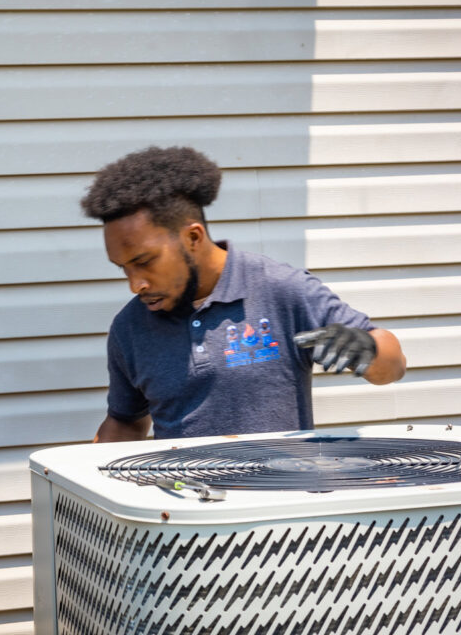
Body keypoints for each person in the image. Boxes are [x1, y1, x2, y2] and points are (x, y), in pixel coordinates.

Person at [81, 146, 406, 442]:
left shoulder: (282, 290)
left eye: (144, 262)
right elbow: (125, 424)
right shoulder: (130, 327)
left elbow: (393, 366)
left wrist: (370, 350)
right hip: (182, 504)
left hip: (280, 501)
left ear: (193, 237)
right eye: (123, 267)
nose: (135, 283)